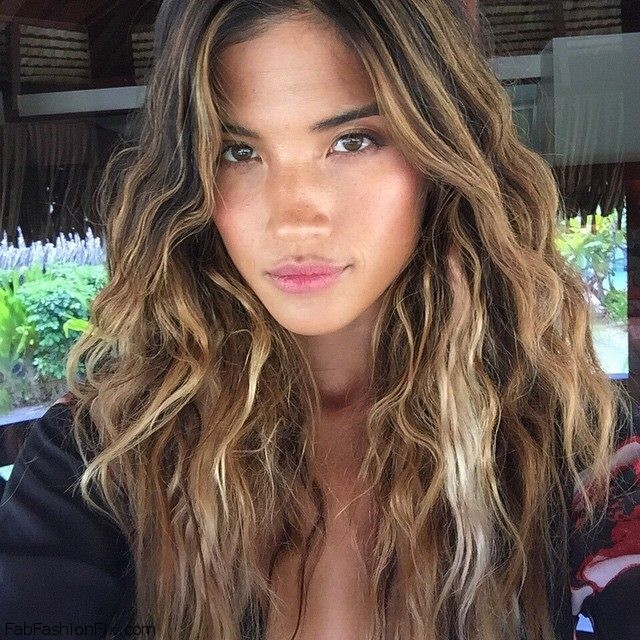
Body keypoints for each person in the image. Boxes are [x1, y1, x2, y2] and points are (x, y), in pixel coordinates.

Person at [1, 1, 639, 639]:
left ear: (440, 153)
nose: (292, 220)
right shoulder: (100, 459)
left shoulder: (580, 451)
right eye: (238, 151)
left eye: (352, 141)